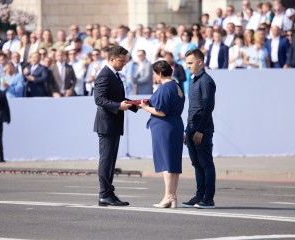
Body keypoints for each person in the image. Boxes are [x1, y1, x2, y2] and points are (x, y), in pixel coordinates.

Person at [93, 45, 137, 207]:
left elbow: (118, 97)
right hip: (107, 124)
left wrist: (134, 104)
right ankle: (104, 194)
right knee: (106, 160)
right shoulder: (104, 75)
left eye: (125, 61)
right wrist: (119, 106)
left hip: (113, 123)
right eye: (121, 61)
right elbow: (99, 99)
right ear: (112, 59)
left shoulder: (115, 75)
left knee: (110, 160)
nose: (124, 64)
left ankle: (108, 193)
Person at [138, 60, 185, 208]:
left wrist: (145, 107)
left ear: (159, 73)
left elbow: (161, 111)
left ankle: (168, 197)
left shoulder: (166, 87)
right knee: (173, 164)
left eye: (154, 73)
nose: (153, 76)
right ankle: (172, 197)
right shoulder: (176, 85)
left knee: (167, 163)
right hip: (174, 125)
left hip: (165, 127)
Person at [182, 49, 216, 209]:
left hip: (202, 129)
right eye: (187, 62)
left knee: (206, 163)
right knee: (196, 164)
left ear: (200, 62)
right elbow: (192, 108)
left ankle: (208, 199)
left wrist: (200, 130)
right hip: (191, 128)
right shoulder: (193, 80)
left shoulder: (206, 81)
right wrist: (186, 130)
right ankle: (199, 196)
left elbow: (208, 107)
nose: (187, 66)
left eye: (190, 63)